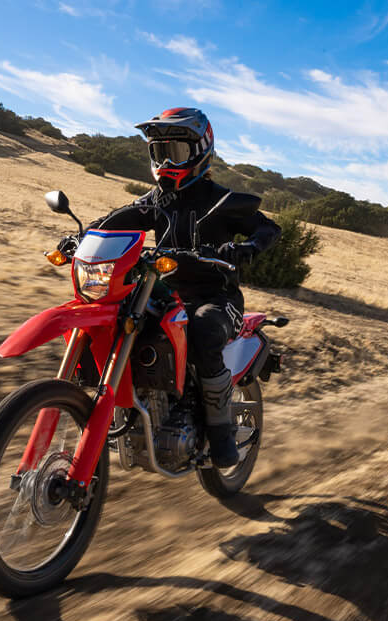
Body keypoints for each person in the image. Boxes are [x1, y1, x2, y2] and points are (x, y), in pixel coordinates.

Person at [61, 107, 281, 467]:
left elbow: (268, 228)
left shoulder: (221, 200)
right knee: (120, 319)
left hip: (216, 297)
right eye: (159, 152)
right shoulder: (156, 200)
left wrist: (247, 248)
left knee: (204, 330)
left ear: (200, 153)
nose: (165, 162)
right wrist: (82, 237)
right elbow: (115, 221)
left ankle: (220, 435)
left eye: (174, 152)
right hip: (164, 293)